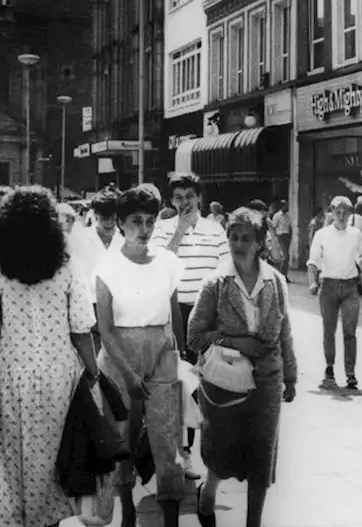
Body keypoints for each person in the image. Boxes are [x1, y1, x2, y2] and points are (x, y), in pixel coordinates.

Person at [0, 186, 101, 527]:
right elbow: (81, 329)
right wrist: (93, 375)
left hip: (9, 378)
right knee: (52, 470)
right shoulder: (66, 267)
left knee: (12, 467)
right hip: (60, 380)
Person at [188, 208, 298, 527]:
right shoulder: (216, 283)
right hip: (223, 384)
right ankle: (208, 492)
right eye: (233, 236)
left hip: (266, 383)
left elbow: (286, 333)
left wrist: (290, 376)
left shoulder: (276, 282)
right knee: (221, 452)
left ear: (261, 242)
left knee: (261, 458)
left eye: (246, 238)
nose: (238, 243)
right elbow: (194, 337)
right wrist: (234, 341)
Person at [96, 186, 187, 527]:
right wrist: (129, 374)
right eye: (136, 221)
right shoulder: (106, 267)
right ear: (120, 223)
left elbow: (173, 312)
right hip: (120, 357)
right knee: (123, 440)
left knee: (167, 440)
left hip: (162, 354)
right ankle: (127, 512)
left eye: (150, 222)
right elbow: (105, 329)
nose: (145, 230)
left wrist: (179, 354)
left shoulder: (167, 261)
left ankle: (171, 517)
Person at [149, 172, 228, 479]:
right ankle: (179, 455)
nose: (184, 203)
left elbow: (225, 271)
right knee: (179, 385)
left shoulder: (215, 229)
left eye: (189, 197)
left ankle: (198, 453)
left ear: (200, 198)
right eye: (178, 198)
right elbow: (157, 266)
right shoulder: (161, 229)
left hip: (205, 315)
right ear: (171, 201)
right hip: (172, 315)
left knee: (202, 384)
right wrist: (179, 231)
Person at [306, 196, 362, 390]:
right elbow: (313, 261)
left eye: (345, 212)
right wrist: (312, 282)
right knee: (329, 330)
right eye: (337, 212)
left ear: (350, 214)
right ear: (331, 213)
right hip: (328, 286)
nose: (341, 216)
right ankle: (329, 368)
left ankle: (350, 374)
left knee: (350, 331)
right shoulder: (322, 234)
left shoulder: (356, 234)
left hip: (350, 287)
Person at [271, 200, 293, 275]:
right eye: (285, 205)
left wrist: (290, 236)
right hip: (280, 236)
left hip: (287, 236)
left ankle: (284, 274)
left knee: (287, 257)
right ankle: (280, 274)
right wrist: (274, 238)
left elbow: (290, 226)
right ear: (281, 206)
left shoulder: (288, 215)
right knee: (285, 256)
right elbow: (273, 227)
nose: (286, 207)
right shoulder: (277, 216)